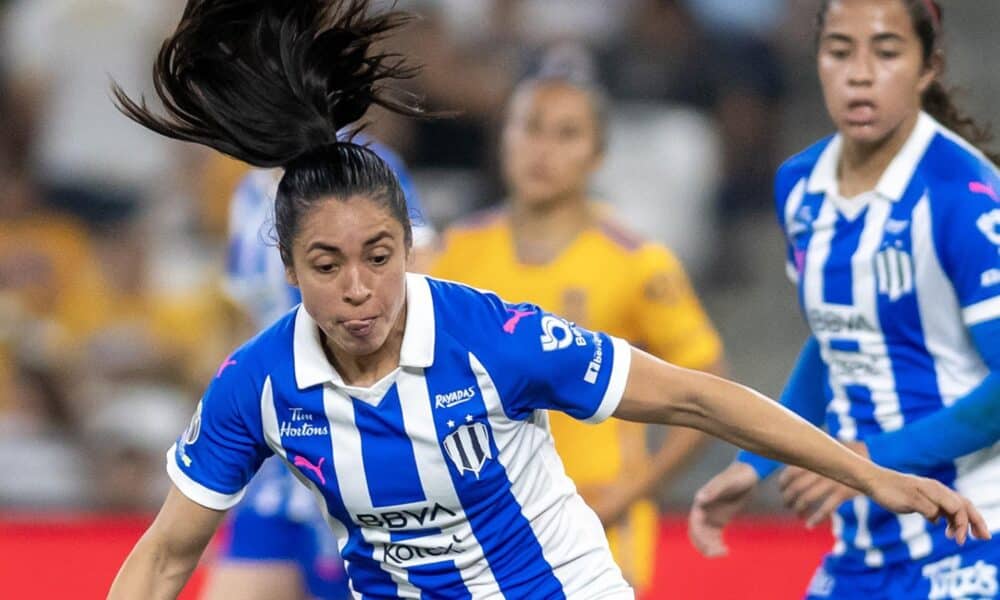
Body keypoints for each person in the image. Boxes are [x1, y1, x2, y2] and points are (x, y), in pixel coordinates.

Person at [106, 1, 988, 598]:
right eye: (327, 265)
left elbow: (694, 392)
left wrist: (870, 473)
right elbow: (164, 554)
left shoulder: (489, 336)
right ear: (288, 270)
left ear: (411, 244)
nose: (360, 288)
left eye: (379, 254)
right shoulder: (257, 384)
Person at [688, 1, 1000, 598]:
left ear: (927, 68)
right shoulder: (799, 186)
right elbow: (833, 345)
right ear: (817, 62)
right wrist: (754, 464)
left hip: (971, 533)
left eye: (886, 53)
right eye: (839, 51)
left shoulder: (963, 196)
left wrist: (866, 460)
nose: (860, 73)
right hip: (861, 546)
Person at [430, 53, 724, 592]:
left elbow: (710, 382)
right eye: (530, 127)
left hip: (596, 524)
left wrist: (635, 490)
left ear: (597, 153)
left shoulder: (636, 262)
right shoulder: (457, 254)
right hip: (483, 524)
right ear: (504, 137)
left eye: (567, 134)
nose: (543, 149)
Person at [203, 137, 434, 600]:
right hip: (279, 445)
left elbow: (423, 286)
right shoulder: (247, 192)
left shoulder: (366, 167)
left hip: (355, 437)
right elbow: (248, 327)